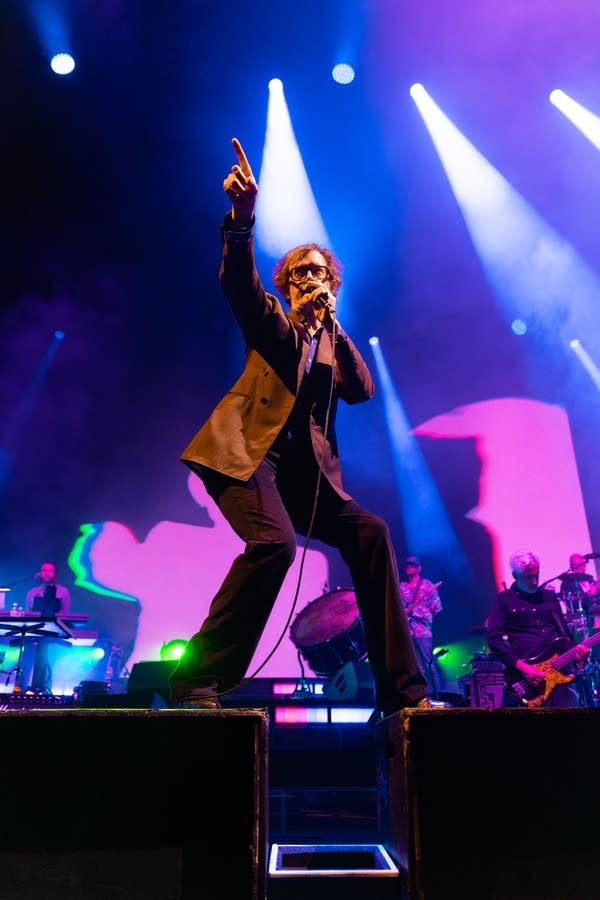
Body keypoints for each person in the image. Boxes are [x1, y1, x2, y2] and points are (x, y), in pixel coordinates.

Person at [168, 137, 448, 716]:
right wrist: (241, 221)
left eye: (318, 274)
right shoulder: (276, 325)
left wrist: (336, 327)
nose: (308, 281)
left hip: (304, 476)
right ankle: (198, 679)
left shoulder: (332, 342)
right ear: (287, 285)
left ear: (333, 286)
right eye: (298, 275)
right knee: (273, 545)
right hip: (246, 459)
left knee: (369, 533)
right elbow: (239, 288)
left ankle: (404, 696)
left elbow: (361, 391)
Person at [486, 549, 589, 707]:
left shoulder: (549, 597)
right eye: (528, 577)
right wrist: (522, 666)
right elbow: (493, 639)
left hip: (559, 673)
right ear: (515, 576)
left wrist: (578, 653)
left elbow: (564, 636)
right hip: (526, 678)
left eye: (537, 574)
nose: (535, 581)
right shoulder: (503, 601)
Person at [21, 561, 71, 693]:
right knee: (27, 662)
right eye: (44, 570)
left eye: (50, 570)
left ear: (55, 574)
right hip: (34, 632)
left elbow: (65, 615)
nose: (46, 573)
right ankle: (23, 691)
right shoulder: (33, 592)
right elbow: (28, 613)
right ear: (39, 573)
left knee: (48, 663)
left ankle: (44, 692)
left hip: (52, 633)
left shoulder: (63, 591)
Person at [399, 556, 443, 693]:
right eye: (407, 565)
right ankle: (424, 698)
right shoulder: (401, 587)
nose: (409, 567)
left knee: (429, 664)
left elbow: (437, 608)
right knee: (416, 667)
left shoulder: (427, 585)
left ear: (419, 568)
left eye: (412, 565)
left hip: (422, 630)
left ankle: (437, 696)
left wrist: (423, 616)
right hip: (407, 631)